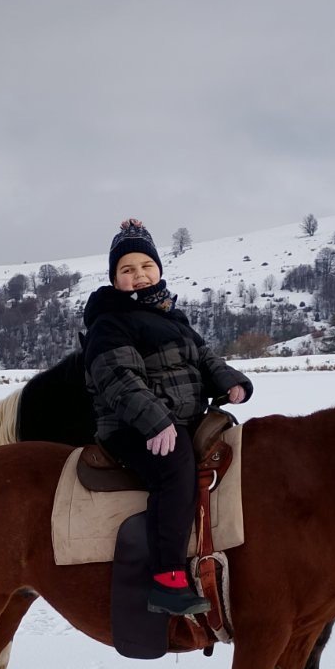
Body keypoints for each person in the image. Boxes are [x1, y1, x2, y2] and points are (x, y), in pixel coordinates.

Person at [83, 218, 252, 617]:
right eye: (127, 270)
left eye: (146, 266)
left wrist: (230, 381)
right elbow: (118, 376)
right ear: (114, 278)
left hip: (177, 418)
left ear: (159, 269)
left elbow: (204, 357)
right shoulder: (110, 321)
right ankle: (166, 578)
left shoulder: (171, 316)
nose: (139, 276)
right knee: (175, 470)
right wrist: (154, 420)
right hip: (130, 425)